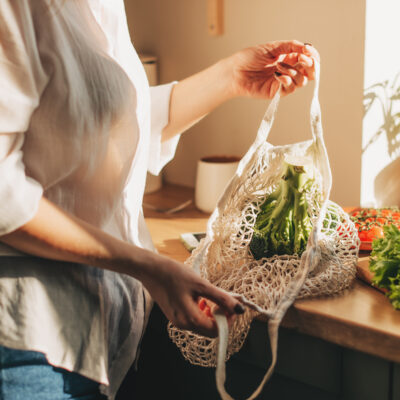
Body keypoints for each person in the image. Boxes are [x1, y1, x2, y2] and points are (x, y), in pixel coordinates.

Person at [0, 1, 318, 399]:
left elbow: (105, 120)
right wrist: (148, 266)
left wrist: (231, 75)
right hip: (25, 346)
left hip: (98, 337)